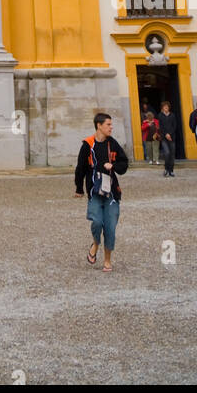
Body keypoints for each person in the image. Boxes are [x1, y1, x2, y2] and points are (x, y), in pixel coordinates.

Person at [75, 112, 129, 273]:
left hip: (112, 193)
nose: (111, 127)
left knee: (110, 228)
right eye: (108, 125)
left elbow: (124, 163)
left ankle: (107, 260)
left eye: (111, 125)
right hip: (95, 191)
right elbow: (80, 169)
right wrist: (79, 188)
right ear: (99, 126)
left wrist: (114, 166)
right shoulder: (87, 145)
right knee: (97, 222)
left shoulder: (112, 144)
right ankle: (96, 243)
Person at [158, 100, 177, 177]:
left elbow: (174, 126)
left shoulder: (172, 115)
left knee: (172, 154)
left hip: (172, 137)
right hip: (164, 137)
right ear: (162, 108)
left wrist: (170, 134)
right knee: (167, 153)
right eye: (164, 107)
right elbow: (160, 127)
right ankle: (166, 168)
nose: (166, 108)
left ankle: (171, 170)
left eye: (167, 107)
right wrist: (166, 134)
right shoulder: (160, 116)